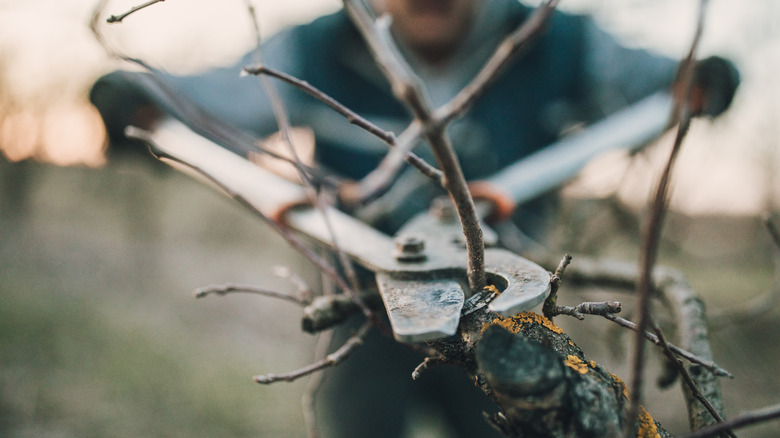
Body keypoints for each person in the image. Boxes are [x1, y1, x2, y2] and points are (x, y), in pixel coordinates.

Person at [90, 0, 739, 436]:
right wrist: (144, 101)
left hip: (505, 310)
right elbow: (210, 101)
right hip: (361, 304)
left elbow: (663, 83)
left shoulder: (559, 39)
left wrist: (697, 80)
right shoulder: (315, 47)